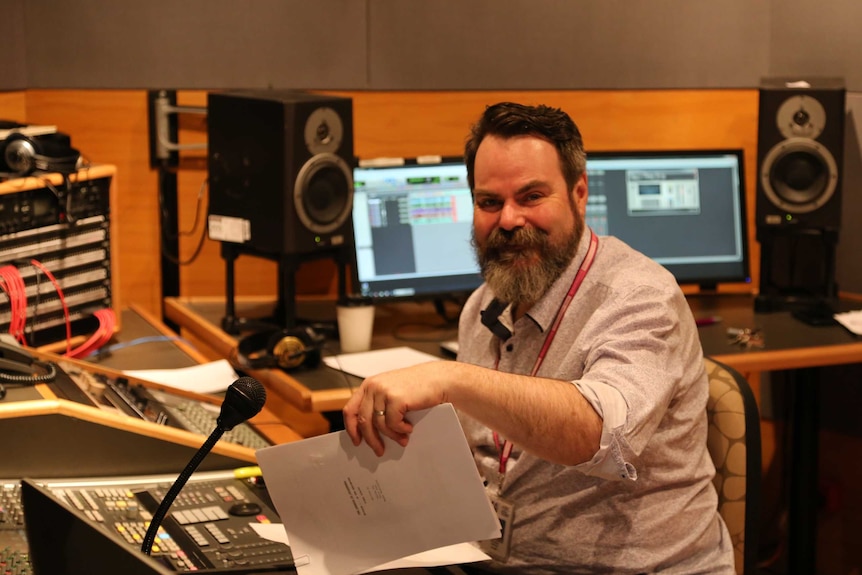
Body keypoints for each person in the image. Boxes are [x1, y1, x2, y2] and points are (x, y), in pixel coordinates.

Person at [342, 102, 735, 574]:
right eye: (490, 202)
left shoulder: (640, 296)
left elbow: (600, 436)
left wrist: (450, 379)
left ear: (579, 193)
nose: (508, 220)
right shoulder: (484, 305)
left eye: (531, 197)